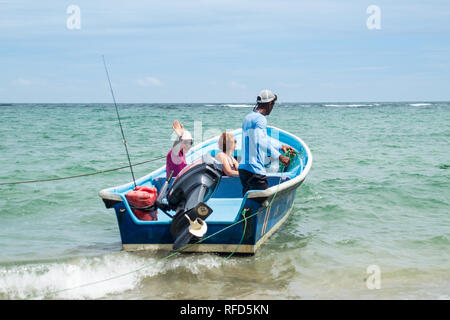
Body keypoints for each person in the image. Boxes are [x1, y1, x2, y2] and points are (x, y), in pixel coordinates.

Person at [238, 89, 294, 201]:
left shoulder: (249, 117)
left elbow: (263, 138)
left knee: (249, 204)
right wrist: (280, 156)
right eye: (273, 104)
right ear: (269, 104)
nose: (272, 107)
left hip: (244, 169)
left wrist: (280, 146)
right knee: (262, 204)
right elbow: (260, 141)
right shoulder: (261, 119)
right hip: (255, 171)